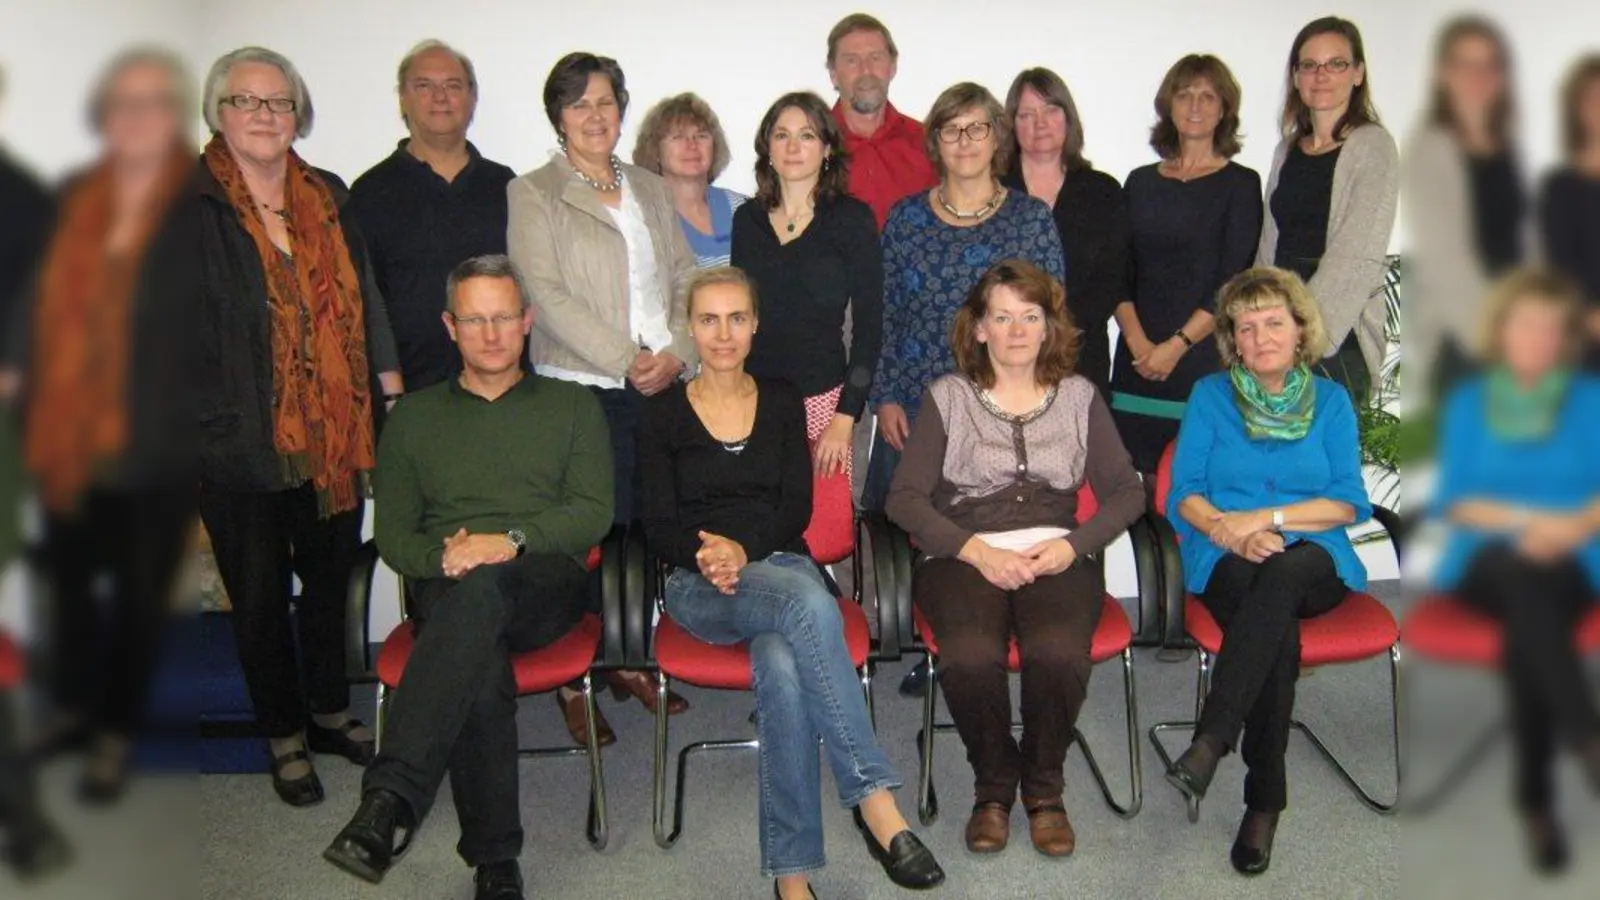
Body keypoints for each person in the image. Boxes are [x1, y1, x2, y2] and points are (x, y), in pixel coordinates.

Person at [639, 266, 943, 900]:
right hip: (700, 585)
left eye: (736, 319)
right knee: (808, 598)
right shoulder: (662, 413)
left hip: (776, 565)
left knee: (780, 660)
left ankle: (792, 875)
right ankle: (875, 801)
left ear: (755, 325)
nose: (723, 334)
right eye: (707, 320)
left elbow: (794, 508)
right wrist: (711, 557)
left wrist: (744, 548)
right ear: (690, 328)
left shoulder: (780, 398)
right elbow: (657, 522)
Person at [323, 255, 610, 900]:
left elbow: (593, 513)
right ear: (450, 326)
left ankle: (390, 800)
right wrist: (445, 559)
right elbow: (395, 534)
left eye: (504, 317)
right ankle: (495, 864)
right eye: (475, 319)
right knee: (476, 656)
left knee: (478, 597)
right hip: (450, 586)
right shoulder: (414, 420)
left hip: (543, 585)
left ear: (527, 321)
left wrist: (504, 542)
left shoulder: (572, 406)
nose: (491, 334)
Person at [197, 46, 403, 807]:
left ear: (297, 114)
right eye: (247, 102)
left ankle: (326, 710)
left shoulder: (328, 194)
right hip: (237, 441)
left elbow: (365, 300)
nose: (264, 116)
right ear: (219, 112)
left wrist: (389, 392)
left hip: (337, 435)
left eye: (278, 102)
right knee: (256, 595)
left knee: (330, 581)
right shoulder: (186, 204)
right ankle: (281, 735)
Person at [887, 258, 1143, 858]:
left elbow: (1129, 492)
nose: (1018, 330)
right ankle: (994, 787)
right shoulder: (948, 397)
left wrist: (1070, 547)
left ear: (1049, 327)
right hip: (963, 553)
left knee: (1056, 652)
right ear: (979, 329)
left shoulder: (1079, 397)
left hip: (1053, 552)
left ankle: (1045, 791)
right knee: (971, 657)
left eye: (1031, 316)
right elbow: (903, 497)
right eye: (1002, 317)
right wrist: (975, 550)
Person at [1, 47, 196, 805]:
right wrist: (14, 367)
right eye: (122, 103)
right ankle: (74, 712)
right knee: (71, 583)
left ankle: (116, 733)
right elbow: (32, 299)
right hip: (70, 432)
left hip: (161, 440)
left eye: (152, 102)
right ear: (103, 116)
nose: (135, 117)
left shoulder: (197, 200)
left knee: (142, 600)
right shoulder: (75, 194)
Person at [507, 51, 694, 740]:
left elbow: (680, 275)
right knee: (587, 532)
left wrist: (678, 351)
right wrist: (627, 358)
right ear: (559, 115)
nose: (595, 115)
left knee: (646, 526)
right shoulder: (534, 193)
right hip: (583, 390)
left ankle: (628, 656)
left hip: (659, 384)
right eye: (580, 103)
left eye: (607, 101)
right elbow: (546, 298)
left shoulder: (648, 185)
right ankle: (573, 677)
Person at [1161, 266, 1372, 877]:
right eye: (1245, 327)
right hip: (1225, 551)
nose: (1259, 337)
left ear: (1300, 328)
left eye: (1273, 322)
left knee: (1281, 577)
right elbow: (1186, 494)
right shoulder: (1210, 397)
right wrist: (1230, 530)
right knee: (1271, 622)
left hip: (1316, 554)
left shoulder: (1331, 401)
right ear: (1233, 340)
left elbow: (1345, 499)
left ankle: (1212, 739)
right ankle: (1264, 799)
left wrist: (1264, 517)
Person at [871, 81, 1065, 698]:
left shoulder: (1030, 218)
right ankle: (949, 645)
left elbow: (1049, 315)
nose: (965, 141)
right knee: (935, 530)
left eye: (977, 128)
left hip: (1009, 408)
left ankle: (1007, 637)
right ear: (935, 142)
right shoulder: (904, 218)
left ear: (997, 138)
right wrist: (888, 397)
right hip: (923, 406)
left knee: (1003, 519)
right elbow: (886, 314)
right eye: (952, 129)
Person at [1428, 267, 1600, 875]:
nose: (1539, 337)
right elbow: (1457, 497)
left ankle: (1538, 802)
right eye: (1527, 323)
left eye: (1552, 328)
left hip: (1576, 558)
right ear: (1501, 330)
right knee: (1526, 588)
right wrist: (1532, 523)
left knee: (1535, 623)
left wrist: (1573, 528)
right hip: (1486, 559)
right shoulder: (1472, 402)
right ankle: (1585, 736)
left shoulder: (1589, 399)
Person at [1111, 54, 1261, 475]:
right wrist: (1142, 347)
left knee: (1195, 486)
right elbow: (1119, 274)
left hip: (1199, 359)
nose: (1195, 106)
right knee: (1131, 492)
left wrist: (1174, 347)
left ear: (1224, 109)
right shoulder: (1139, 182)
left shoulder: (1241, 184)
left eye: (1208, 96)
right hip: (1135, 362)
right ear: (1168, 105)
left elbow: (1232, 281)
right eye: (1184, 94)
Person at [344, 40, 517, 392]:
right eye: (424, 86)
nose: (440, 97)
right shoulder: (368, 193)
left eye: (453, 86)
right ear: (402, 100)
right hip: (410, 394)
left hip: (503, 391)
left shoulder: (507, 187)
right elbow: (362, 304)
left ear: (472, 99)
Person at [732, 91, 881, 476]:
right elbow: (738, 319)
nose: (793, 147)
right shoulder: (747, 221)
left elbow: (870, 325)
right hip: (754, 401)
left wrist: (846, 415)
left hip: (824, 404)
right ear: (767, 147)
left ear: (827, 148)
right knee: (758, 525)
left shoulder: (852, 219)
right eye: (782, 135)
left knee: (825, 533)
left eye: (807, 136)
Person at [1257, 16, 1400, 406]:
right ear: (1296, 77)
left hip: (1333, 339)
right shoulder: (1286, 149)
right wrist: (1259, 324)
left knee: (1318, 467)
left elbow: (1357, 255)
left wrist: (1298, 335)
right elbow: (1269, 245)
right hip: (1275, 335)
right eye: (1309, 65)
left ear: (1358, 74)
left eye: (1336, 63)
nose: (1321, 75)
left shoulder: (1373, 147)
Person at [1405, 16, 1528, 405]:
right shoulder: (1429, 151)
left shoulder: (1507, 148)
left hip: (1524, 333)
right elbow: (1446, 265)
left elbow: (1524, 245)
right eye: (1466, 64)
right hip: (1469, 341)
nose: (1479, 76)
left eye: (1490, 64)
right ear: (1443, 73)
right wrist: (1506, 344)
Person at [1001, 67, 1128, 397]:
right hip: (1004, 362)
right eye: (1026, 114)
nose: (1039, 123)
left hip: (1080, 358)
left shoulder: (1103, 191)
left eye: (1050, 110)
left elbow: (1114, 279)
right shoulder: (994, 192)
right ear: (1012, 126)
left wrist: (1054, 333)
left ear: (1068, 118)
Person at [824, 13, 937, 228]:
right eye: (851, 60)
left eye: (875, 57)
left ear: (892, 66)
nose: (865, 70)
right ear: (833, 73)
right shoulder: (811, 145)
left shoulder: (927, 142)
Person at [632, 92, 746, 268]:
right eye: (678, 137)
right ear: (655, 151)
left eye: (701, 136)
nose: (692, 145)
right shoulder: (644, 220)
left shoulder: (743, 209)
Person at [1538, 55, 1600, 370]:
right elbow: (1560, 274)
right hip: (1583, 347)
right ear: (1576, 108)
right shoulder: (1559, 188)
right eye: (1592, 96)